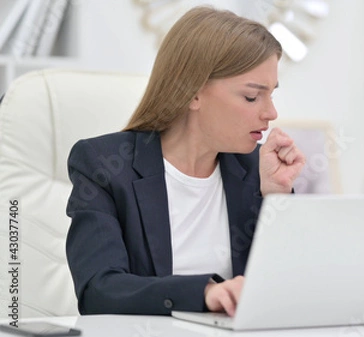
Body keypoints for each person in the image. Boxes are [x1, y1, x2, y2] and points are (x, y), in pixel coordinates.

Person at [65, 6, 305, 317]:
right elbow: (99, 291)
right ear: (192, 92)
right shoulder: (103, 166)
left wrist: (277, 200)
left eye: (271, 95)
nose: (271, 113)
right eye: (251, 96)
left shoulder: (254, 170)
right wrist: (206, 293)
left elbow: (292, 291)